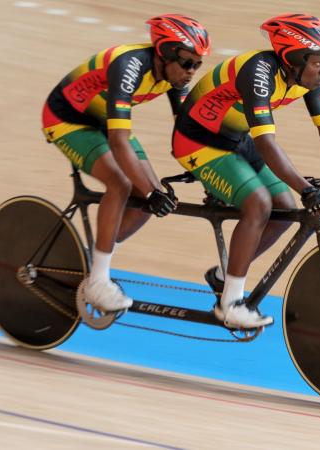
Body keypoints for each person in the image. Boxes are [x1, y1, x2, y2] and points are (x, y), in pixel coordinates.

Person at [171, 13, 320, 329]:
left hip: (233, 139)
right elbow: (267, 143)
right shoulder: (257, 72)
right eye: (318, 62)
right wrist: (306, 189)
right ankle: (230, 304)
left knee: (285, 209)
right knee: (259, 204)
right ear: (293, 59)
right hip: (196, 140)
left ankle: (223, 276)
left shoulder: (308, 77)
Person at [42, 14, 211, 312]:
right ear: (165, 53)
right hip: (69, 119)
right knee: (122, 184)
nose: (192, 72)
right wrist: (149, 190)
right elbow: (120, 142)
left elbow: (186, 132)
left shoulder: (174, 75)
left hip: (104, 121)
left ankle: (93, 263)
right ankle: (97, 282)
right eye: (187, 63)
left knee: (152, 197)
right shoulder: (129, 66)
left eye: (198, 65)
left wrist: (203, 173)